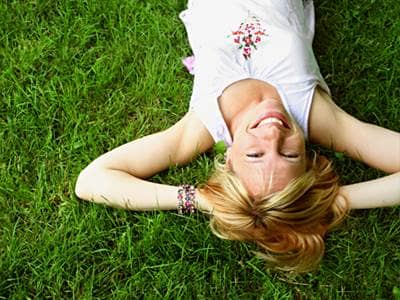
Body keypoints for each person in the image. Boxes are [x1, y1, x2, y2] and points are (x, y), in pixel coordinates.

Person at [75, 0, 400, 272]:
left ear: (228, 159)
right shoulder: (315, 116)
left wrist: (202, 200)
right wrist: (326, 203)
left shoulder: (201, 126)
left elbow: (92, 180)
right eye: (290, 155)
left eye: (255, 155)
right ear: (308, 160)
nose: (274, 136)